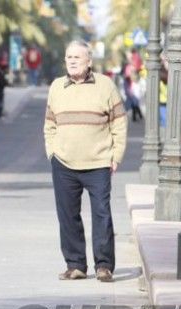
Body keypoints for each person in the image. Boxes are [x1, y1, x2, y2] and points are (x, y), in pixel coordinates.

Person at [43, 40, 127, 282]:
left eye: (77, 57)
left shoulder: (105, 86)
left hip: (98, 162)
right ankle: (76, 265)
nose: (71, 61)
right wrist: (52, 153)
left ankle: (104, 266)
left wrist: (116, 155)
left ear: (89, 61)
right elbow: (49, 124)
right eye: (68, 57)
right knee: (68, 215)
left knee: (102, 214)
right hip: (64, 163)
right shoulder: (57, 87)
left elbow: (119, 123)